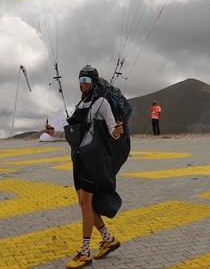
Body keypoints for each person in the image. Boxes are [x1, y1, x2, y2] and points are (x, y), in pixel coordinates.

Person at [65, 65, 127, 268]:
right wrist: (53, 133)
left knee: (85, 202)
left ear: (93, 82)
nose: (82, 83)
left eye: (86, 80)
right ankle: (108, 239)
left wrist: (118, 130)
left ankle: (84, 252)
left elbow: (112, 131)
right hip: (79, 159)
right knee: (85, 204)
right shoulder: (81, 104)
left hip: (93, 161)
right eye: (80, 79)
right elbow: (75, 134)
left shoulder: (101, 102)